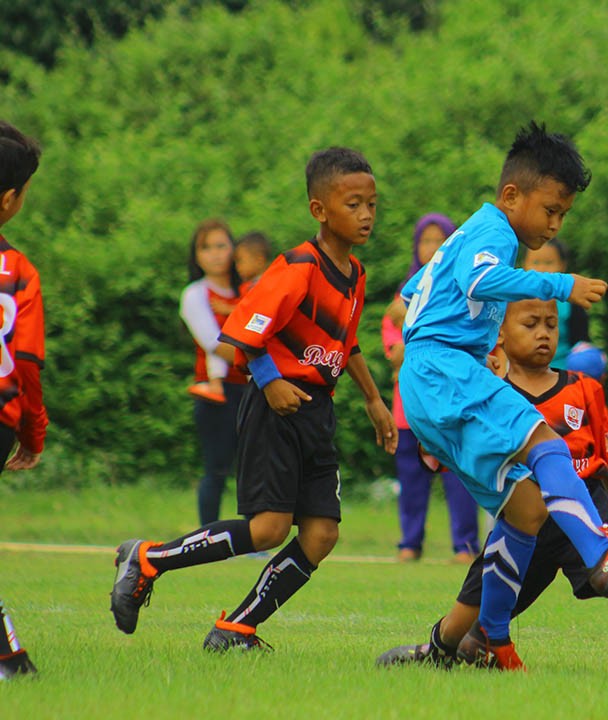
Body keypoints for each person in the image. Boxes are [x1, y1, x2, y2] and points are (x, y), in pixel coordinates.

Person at [398, 121, 608, 670]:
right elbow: (480, 284)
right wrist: (561, 284)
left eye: (563, 215)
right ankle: (603, 553)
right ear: (511, 195)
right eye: (550, 210)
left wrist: (469, 354)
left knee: (525, 511)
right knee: (546, 441)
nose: (554, 224)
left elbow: (413, 295)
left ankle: (493, 642)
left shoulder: (465, 232)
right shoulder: (497, 234)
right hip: (444, 371)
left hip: (432, 376)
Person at [110, 146, 397, 651]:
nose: (367, 214)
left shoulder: (356, 276)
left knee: (321, 534)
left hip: (316, 412)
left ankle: (236, 627)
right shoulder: (297, 269)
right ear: (319, 210)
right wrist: (268, 380)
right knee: (266, 530)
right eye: (353, 204)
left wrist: (374, 400)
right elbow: (239, 333)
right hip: (276, 408)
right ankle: (148, 559)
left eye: (372, 203)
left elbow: (345, 344)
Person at [377, 299, 608, 677]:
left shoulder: (584, 388)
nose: (543, 333)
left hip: (584, 507)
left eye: (550, 325)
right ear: (500, 335)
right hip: (525, 517)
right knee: (477, 602)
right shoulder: (487, 391)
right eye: (530, 324)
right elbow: (444, 452)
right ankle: (442, 649)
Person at [382, 213, 479, 563]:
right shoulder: (403, 294)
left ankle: (465, 545)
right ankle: (410, 543)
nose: (432, 248)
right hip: (409, 406)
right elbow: (395, 355)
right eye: (426, 240)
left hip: (452, 405)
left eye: (441, 241)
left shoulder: (464, 290)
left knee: (459, 476)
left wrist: (416, 332)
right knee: (411, 479)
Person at [0, 120, 48, 679]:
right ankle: (10, 659)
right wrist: (33, 432)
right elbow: (28, 365)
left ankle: (10, 658)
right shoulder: (18, 272)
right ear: (10, 200)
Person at [180, 219, 247, 524]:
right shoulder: (195, 294)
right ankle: (207, 537)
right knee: (217, 469)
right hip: (216, 390)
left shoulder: (246, 290)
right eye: (206, 247)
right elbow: (212, 342)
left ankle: (256, 537)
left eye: (221, 245)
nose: (215, 254)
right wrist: (262, 363)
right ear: (196, 256)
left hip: (251, 388)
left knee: (254, 466)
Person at [521, 238, 590, 368]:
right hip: (520, 376)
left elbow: (581, 346)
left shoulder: (572, 304)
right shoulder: (512, 301)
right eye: (535, 262)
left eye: (549, 262)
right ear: (523, 265)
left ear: (562, 266)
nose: (541, 269)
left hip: (562, 375)